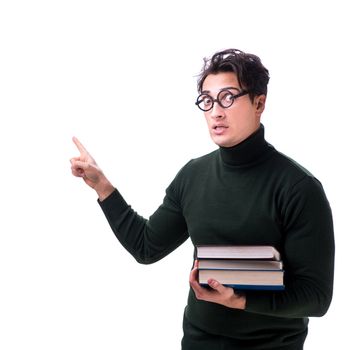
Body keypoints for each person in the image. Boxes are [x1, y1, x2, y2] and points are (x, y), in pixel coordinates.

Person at [70, 48, 334, 350]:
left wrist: (241, 299)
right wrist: (102, 186)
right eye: (207, 100)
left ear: (259, 102)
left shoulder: (299, 187)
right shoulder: (193, 175)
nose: (216, 112)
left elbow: (316, 297)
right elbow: (146, 247)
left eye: (228, 98)